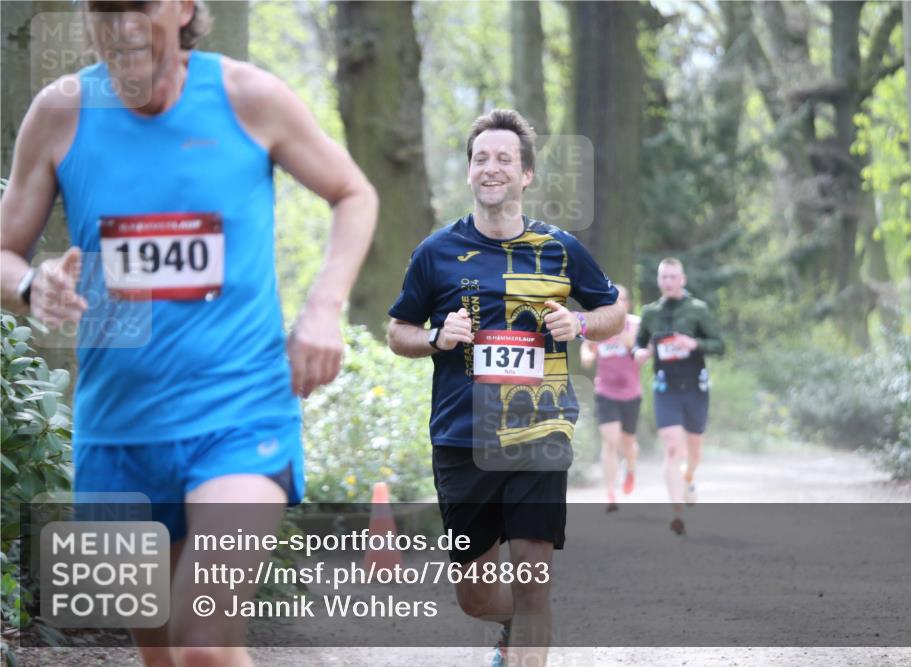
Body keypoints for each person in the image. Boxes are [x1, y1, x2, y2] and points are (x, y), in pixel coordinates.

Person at [0, 2, 377, 665]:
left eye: (138, 5)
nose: (119, 26)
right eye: (103, 9)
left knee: (200, 636)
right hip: (118, 433)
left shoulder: (247, 97)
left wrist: (323, 307)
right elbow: (5, 252)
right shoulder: (61, 112)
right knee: (163, 656)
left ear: (183, 9)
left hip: (239, 415)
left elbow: (353, 192)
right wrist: (33, 285)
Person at [387, 109, 624, 667]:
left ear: (526, 176)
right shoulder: (436, 253)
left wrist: (582, 324)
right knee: (474, 597)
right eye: (480, 158)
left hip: (540, 425)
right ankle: (513, 624)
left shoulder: (560, 249)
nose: (491, 168)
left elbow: (613, 309)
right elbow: (398, 333)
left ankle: (527, 628)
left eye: (504, 159)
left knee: (533, 578)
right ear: (469, 173)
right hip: (462, 435)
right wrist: (437, 338)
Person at [634, 258, 724, 535]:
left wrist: (693, 343)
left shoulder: (697, 309)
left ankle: (689, 477)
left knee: (694, 451)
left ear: (682, 279)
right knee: (673, 447)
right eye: (664, 277)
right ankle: (677, 513)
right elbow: (638, 346)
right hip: (665, 388)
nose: (668, 282)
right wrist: (641, 353)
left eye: (673, 277)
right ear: (659, 281)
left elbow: (719, 344)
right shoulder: (650, 313)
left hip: (695, 387)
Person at [580, 285, 641, 512]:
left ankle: (631, 468)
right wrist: (588, 354)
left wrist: (621, 333)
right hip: (605, 391)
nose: (618, 304)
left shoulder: (635, 324)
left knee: (627, 443)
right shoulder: (599, 325)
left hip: (631, 392)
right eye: (614, 301)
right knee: (610, 441)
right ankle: (610, 493)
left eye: (622, 300)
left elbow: (638, 350)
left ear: (628, 304)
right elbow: (586, 351)